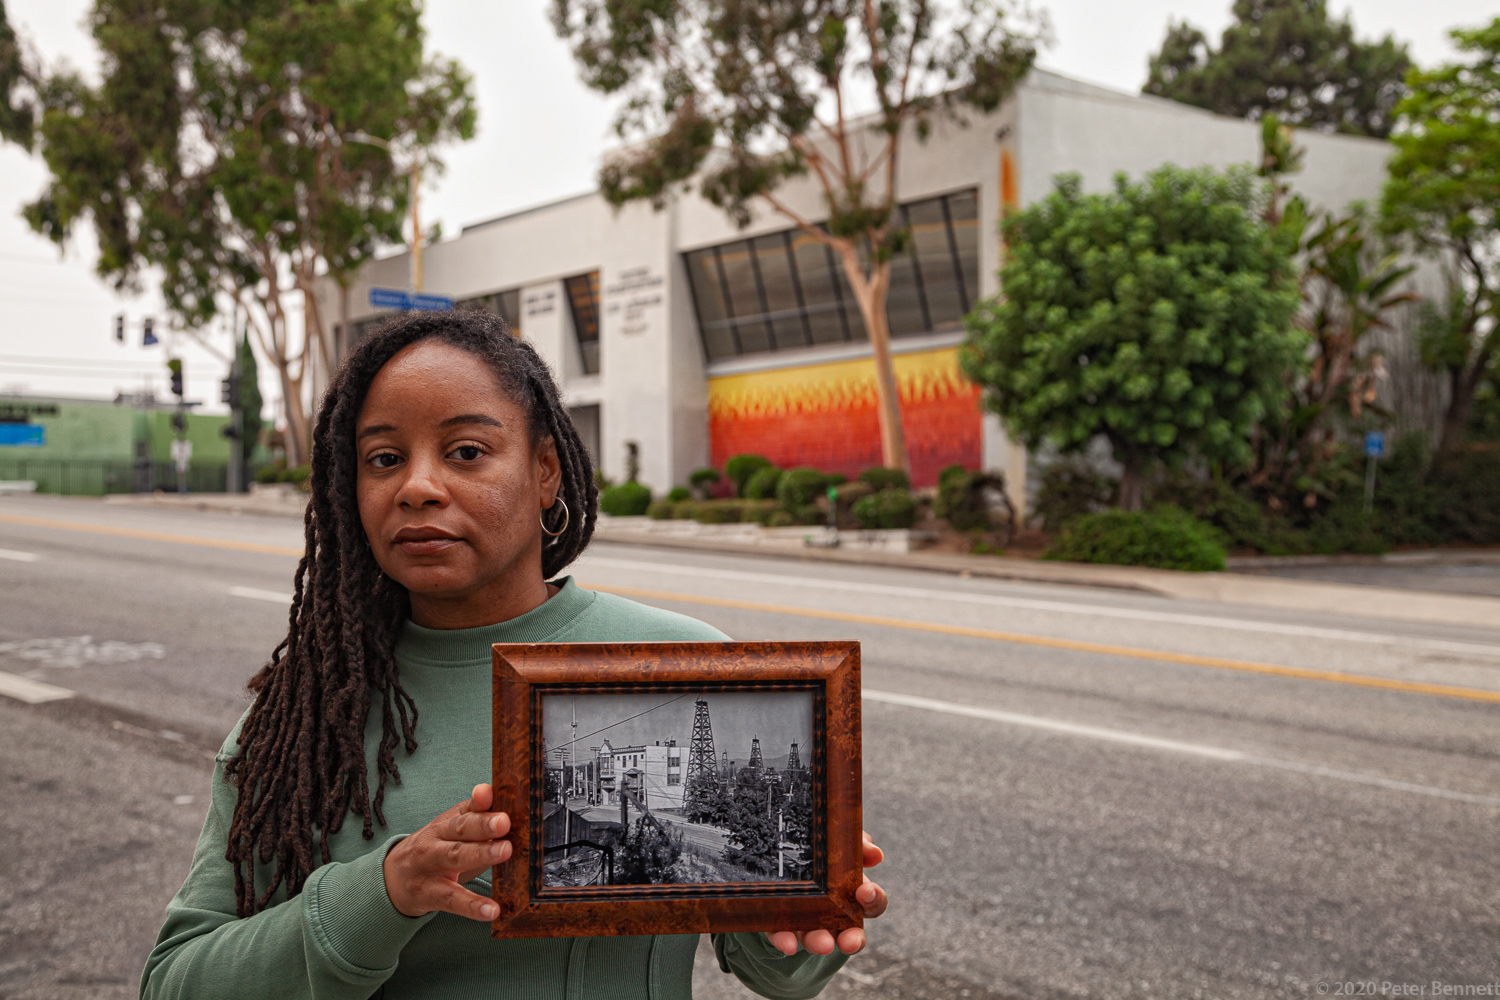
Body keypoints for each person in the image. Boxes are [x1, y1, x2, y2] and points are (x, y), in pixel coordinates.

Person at [140, 310, 887, 999]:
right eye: (383, 458)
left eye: (466, 451)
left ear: (545, 471)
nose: (419, 486)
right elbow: (177, 981)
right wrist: (387, 890)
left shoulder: (688, 664)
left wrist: (815, 896)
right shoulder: (302, 720)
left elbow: (783, 969)